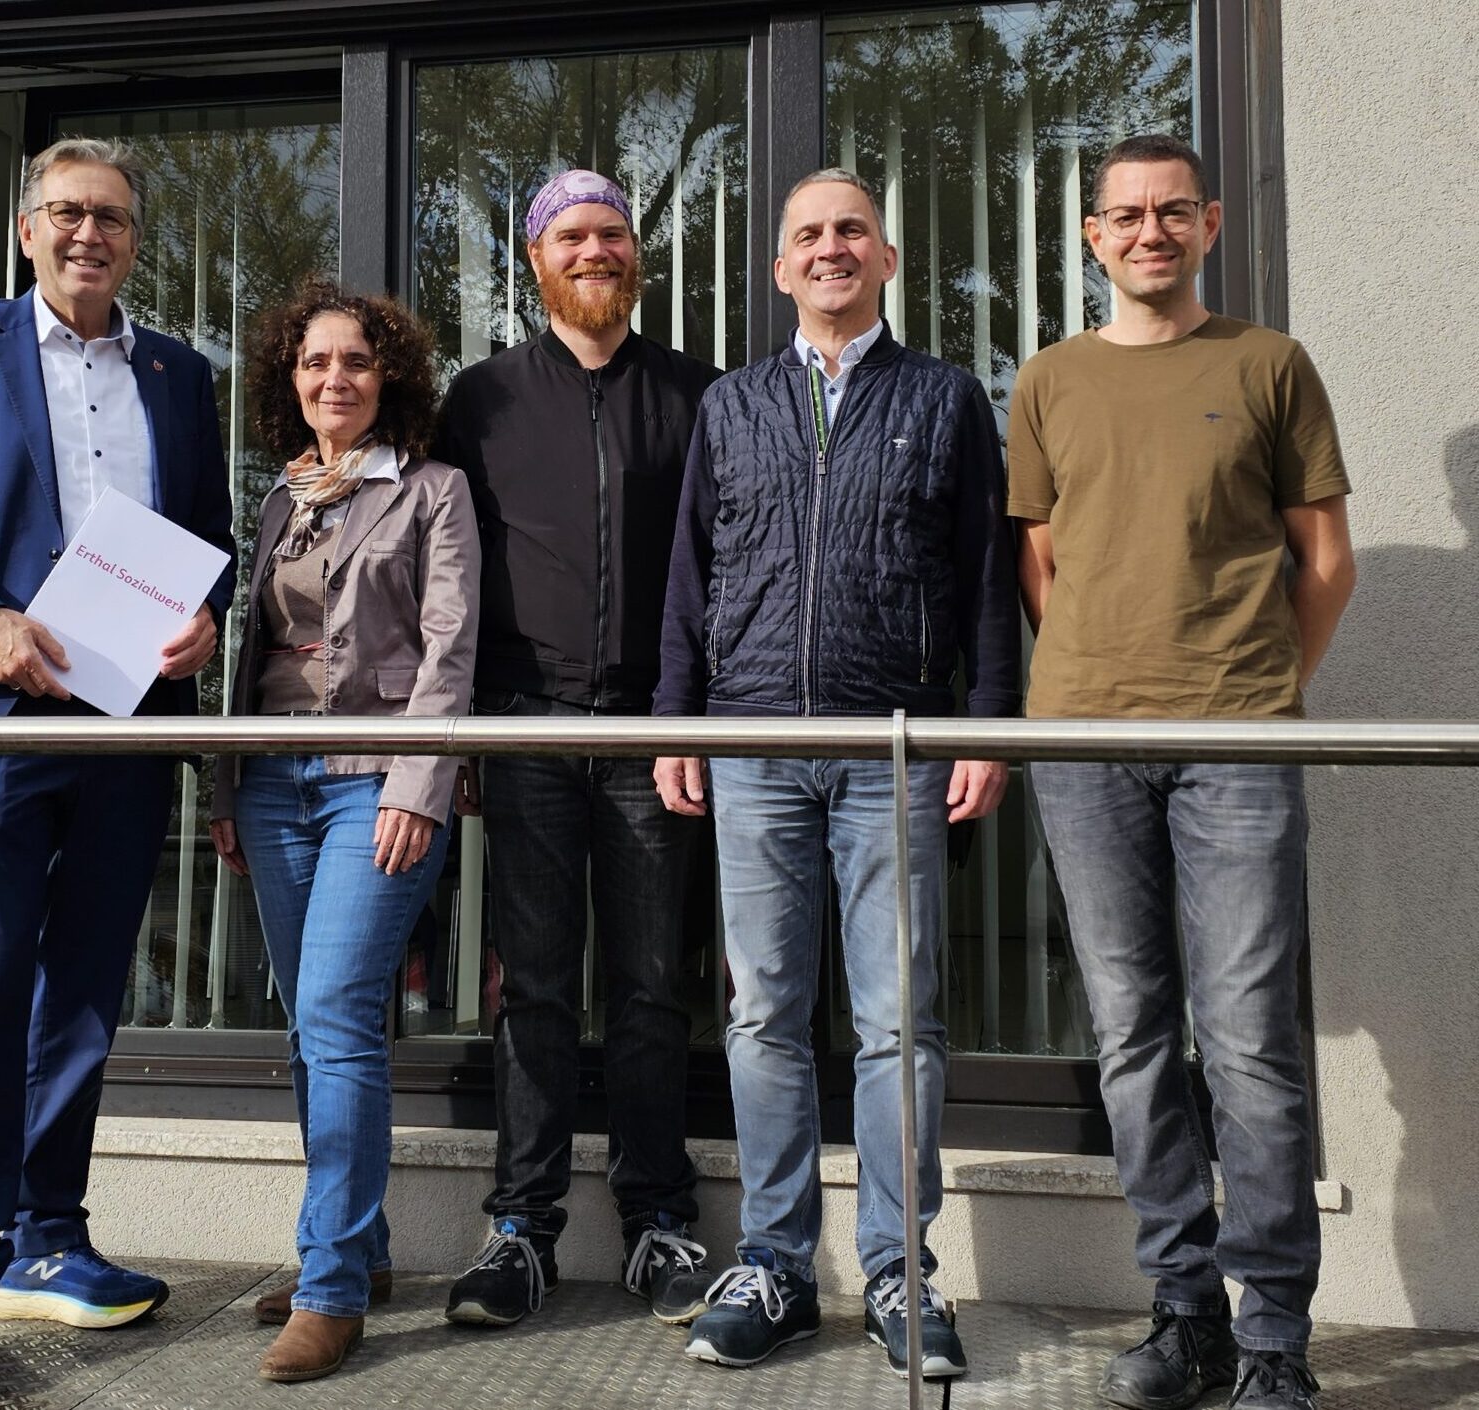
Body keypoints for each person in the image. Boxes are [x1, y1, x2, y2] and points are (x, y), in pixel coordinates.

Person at [0, 136, 236, 1396]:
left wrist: (207, 623)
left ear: (137, 239)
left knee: (82, 992)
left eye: (114, 218)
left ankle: (51, 1237)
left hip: (127, 725)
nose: (92, 235)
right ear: (27, 229)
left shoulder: (184, 375)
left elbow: (209, 541)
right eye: (69, 213)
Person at [1009, 134, 1355, 1410]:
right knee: (1132, 1036)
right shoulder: (1047, 379)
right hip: (1086, 746)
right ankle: (1183, 1309)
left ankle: (1274, 1332)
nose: (1148, 232)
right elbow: (1042, 563)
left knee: (1253, 1040)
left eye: (1171, 213)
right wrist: (1104, 678)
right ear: (1092, 236)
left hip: (1238, 745)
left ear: (1209, 223)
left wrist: (1263, 690)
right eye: (1124, 215)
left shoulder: (1269, 365)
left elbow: (1325, 561)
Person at [654, 167, 1019, 1373]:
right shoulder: (733, 405)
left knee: (897, 1020)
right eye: (806, 234)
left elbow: (980, 579)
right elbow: (690, 580)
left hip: (895, 746)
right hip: (752, 746)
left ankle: (896, 1271)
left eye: (850, 230)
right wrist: (678, 720)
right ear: (777, 269)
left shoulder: (948, 397)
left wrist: (987, 725)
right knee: (761, 1013)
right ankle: (772, 1264)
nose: (829, 249)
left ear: (887, 257)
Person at [432, 169, 722, 1330]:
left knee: (656, 988)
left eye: (611, 234)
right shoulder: (481, 399)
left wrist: (693, 716)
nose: (594, 251)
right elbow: (444, 572)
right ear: (534, 259)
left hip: (656, 731)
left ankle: (660, 1223)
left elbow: (721, 565)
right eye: (572, 236)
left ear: (635, 255)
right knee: (536, 989)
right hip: (526, 727)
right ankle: (522, 1229)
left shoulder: (700, 396)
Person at [209, 280, 478, 1383]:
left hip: (377, 780)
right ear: (293, 383)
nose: (335, 380)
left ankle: (328, 1291)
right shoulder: (278, 498)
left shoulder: (435, 491)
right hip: (273, 782)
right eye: (316, 364)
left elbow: (450, 645)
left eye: (356, 363)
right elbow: (250, 655)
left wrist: (423, 784)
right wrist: (226, 788)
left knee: (334, 1008)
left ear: (389, 379)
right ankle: (354, 1253)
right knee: (308, 1021)